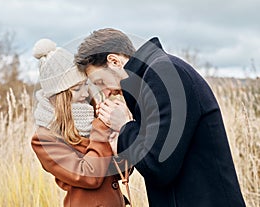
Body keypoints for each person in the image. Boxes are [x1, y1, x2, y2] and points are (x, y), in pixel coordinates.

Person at [74, 28, 246, 207]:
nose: (106, 92)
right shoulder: (153, 78)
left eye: (100, 82)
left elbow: (159, 166)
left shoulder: (164, 75)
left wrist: (124, 127)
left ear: (114, 61)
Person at [30, 38, 126, 207]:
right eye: (76, 89)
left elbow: (121, 172)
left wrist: (122, 130)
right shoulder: (44, 139)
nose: (84, 93)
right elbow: (89, 177)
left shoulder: (91, 115)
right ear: (59, 95)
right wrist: (102, 127)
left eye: (85, 85)